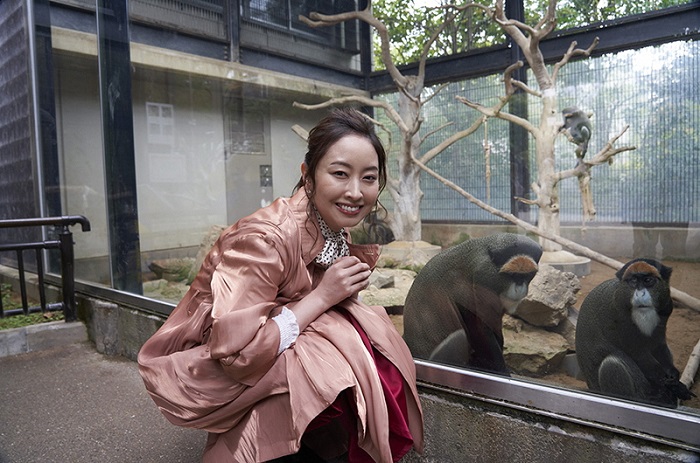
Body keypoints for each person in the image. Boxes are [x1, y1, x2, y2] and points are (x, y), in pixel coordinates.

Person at [138, 107, 424, 462]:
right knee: (329, 352)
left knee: (363, 335)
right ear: (308, 176)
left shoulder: (329, 220)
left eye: (368, 178)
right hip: (211, 361)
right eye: (339, 173)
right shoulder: (264, 238)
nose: (355, 192)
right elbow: (236, 353)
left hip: (266, 348)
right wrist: (323, 297)